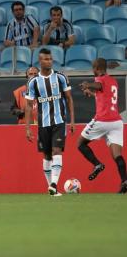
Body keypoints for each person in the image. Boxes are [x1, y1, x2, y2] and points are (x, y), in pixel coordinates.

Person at [25, 48, 75, 197]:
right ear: (40, 61)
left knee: (57, 151)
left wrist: (72, 121)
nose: (49, 61)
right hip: (43, 123)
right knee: (46, 156)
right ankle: (51, 189)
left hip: (59, 121)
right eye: (46, 59)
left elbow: (69, 98)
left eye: (50, 59)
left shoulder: (60, 77)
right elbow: (28, 105)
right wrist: (27, 128)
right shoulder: (33, 82)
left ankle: (54, 183)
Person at [78, 58, 127, 194]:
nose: (92, 71)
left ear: (96, 68)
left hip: (102, 120)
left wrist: (88, 84)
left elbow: (99, 85)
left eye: (93, 68)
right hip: (117, 122)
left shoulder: (101, 79)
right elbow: (104, 94)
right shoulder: (113, 81)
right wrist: (92, 93)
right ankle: (125, 181)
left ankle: (97, 164)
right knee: (117, 155)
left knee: (80, 144)